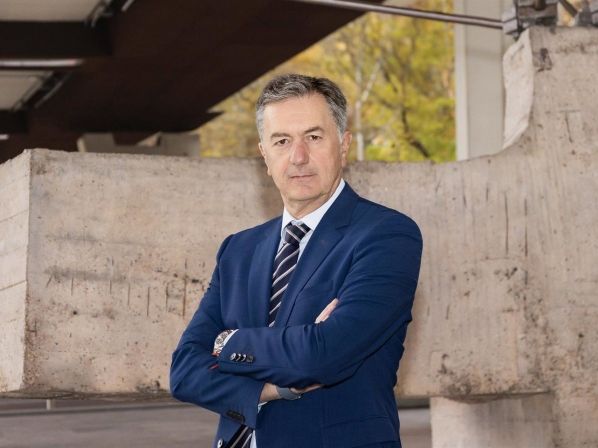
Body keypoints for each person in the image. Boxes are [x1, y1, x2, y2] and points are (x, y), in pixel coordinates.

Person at [170, 74, 423, 448]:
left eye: (314, 137)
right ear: (265, 155)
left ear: (344, 145)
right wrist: (272, 389)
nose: (298, 156)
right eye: (282, 141)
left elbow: (322, 356)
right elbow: (184, 372)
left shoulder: (386, 235)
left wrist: (226, 341)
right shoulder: (238, 250)